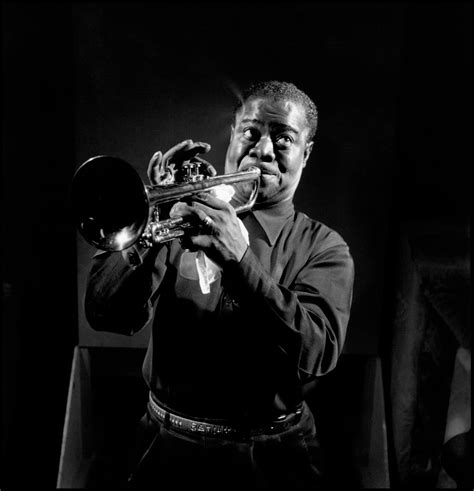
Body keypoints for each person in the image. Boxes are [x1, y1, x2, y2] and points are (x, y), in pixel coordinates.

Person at [85, 80, 355, 489]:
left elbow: (318, 353)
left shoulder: (324, 247)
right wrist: (150, 221)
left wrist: (240, 262)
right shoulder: (178, 219)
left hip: (270, 460)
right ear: (233, 136)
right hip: (163, 449)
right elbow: (104, 312)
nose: (263, 151)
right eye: (251, 132)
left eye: (283, 139)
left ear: (306, 153)